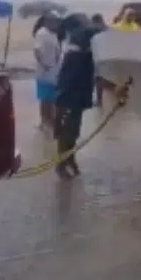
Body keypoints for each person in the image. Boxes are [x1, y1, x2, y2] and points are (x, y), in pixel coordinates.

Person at [53, 26, 97, 179]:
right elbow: (65, 82)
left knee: (74, 133)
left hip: (78, 100)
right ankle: (60, 166)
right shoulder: (75, 57)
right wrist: (59, 107)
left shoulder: (87, 57)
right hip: (68, 100)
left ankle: (70, 159)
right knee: (66, 135)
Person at [32, 13, 61, 131]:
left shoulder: (53, 34)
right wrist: (44, 65)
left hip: (54, 71)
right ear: (48, 21)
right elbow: (37, 51)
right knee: (45, 98)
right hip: (44, 72)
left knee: (52, 98)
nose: (57, 24)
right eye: (55, 21)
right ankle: (44, 121)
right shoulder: (42, 33)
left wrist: (58, 61)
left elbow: (57, 50)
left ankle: (51, 120)